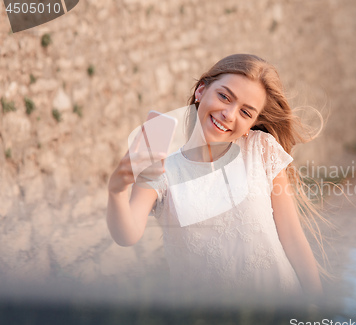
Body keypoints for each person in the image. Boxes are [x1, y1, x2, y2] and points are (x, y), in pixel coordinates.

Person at [106, 54, 325, 302]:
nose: (229, 115)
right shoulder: (162, 168)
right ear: (201, 90)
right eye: (224, 96)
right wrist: (117, 191)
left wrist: (316, 312)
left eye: (246, 112)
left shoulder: (261, 150)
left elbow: (293, 238)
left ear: (254, 121)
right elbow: (127, 234)